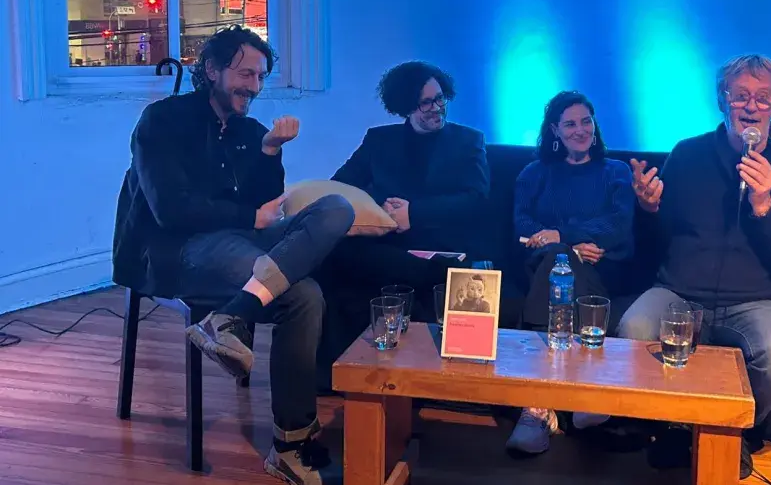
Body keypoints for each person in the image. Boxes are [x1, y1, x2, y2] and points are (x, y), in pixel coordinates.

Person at [111, 26, 356, 485]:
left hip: (236, 243)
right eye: (245, 74)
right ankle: (291, 444)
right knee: (302, 295)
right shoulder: (162, 120)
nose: (254, 86)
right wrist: (249, 216)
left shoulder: (250, 131)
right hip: (174, 250)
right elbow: (170, 210)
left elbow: (265, 202)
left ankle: (232, 316)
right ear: (212, 70)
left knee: (336, 208)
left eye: (261, 76)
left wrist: (270, 152)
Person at [617, 54, 771, 478]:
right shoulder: (688, 155)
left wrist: (764, 207)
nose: (751, 107)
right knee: (632, 332)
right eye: (740, 96)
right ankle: (674, 426)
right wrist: (648, 209)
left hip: (755, 299)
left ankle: (732, 430)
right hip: (679, 291)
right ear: (721, 100)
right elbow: (656, 242)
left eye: (763, 98)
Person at [315, 61, 491, 382]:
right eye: (426, 103)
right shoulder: (379, 141)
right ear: (406, 106)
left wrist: (413, 213)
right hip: (389, 245)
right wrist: (380, 209)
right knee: (333, 250)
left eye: (440, 98)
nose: (437, 108)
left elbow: (476, 200)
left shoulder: (468, 141)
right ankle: (331, 375)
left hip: (442, 244)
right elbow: (340, 187)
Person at [505, 91, 634, 455]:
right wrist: (570, 246)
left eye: (586, 121)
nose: (580, 130)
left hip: (602, 267)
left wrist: (563, 235)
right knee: (557, 258)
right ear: (555, 131)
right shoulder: (534, 173)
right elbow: (523, 225)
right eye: (570, 124)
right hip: (542, 264)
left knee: (560, 255)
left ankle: (536, 409)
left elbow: (618, 225)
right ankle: (583, 394)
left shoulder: (616, 171)